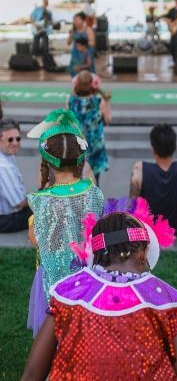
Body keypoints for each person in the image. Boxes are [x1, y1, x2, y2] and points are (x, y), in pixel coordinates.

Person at [21, 209, 177, 381]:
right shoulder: (164, 299)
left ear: (95, 255)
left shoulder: (69, 293)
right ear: (143, 254)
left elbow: (32, 374)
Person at [26, 109, 104, 336]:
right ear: (80, 158)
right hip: (86, 275)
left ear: (47, 162)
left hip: (54, 281)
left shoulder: (41, 200)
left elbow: (35, 239)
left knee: (54, 334)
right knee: (82, 331)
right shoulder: (93, 191)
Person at [66, 70, 109, 184]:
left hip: (76, 146)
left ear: (77, 83)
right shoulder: (99, 100)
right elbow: (107, 121)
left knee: (75, 181)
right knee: (94, 182)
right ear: (92, 83)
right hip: (95, 146)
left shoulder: (70, 100)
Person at [0, 118, 31, 233]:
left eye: (18, 139)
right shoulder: (3, 166)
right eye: (10, 139)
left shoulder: (7, 156)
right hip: (5, 219)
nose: (15, 143)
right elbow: (19, 203)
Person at [67, 12, 95, 77]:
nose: (75, 22)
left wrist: (83, 46)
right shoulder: (73, 30)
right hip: (75, 54)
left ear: (83, 21)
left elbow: (92, 43)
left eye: (77, 20)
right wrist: (70, 35)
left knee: (86, 73)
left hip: (85, 53)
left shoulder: (88, 30)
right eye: (74, 20)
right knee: (75, 72)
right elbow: (68, 43)